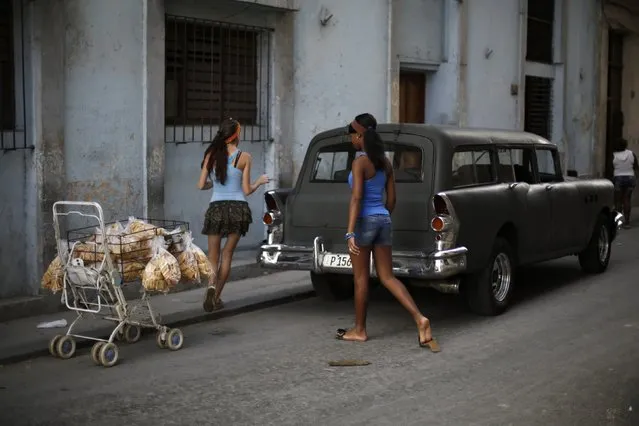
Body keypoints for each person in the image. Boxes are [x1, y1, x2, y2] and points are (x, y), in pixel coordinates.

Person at [335, 113, 440, 352]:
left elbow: (356, 198)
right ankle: (420, 318)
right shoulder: (385, 162)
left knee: (361, 279)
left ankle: (359, 330)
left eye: (352, 134)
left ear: (360, 135)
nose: (351, 138)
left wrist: (350, 232)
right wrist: (382, 217)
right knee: (388, 277)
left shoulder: (360, 161)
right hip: (383, 219)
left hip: (364, 222)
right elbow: (392, 199)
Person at [198, 118, 269, 311]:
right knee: (227, 254)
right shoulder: (244, 157)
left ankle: (211, 286)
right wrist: (260, 181)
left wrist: (212, 184)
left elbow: (200, 184)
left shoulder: (211, 155)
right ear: (236, 135)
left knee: (213, 256)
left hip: (216, 208)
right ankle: (216, 297)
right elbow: (246, 190)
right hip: (238, 208)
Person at [612, 138, 638, 228]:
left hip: (618, 178)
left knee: (618, 201)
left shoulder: (613, 155)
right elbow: (636, 167)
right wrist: (636, 178)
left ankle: (618, 222)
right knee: (627, 199)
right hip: (630, 178)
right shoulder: (631, 154)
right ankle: (627, 222)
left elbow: (610, 167)